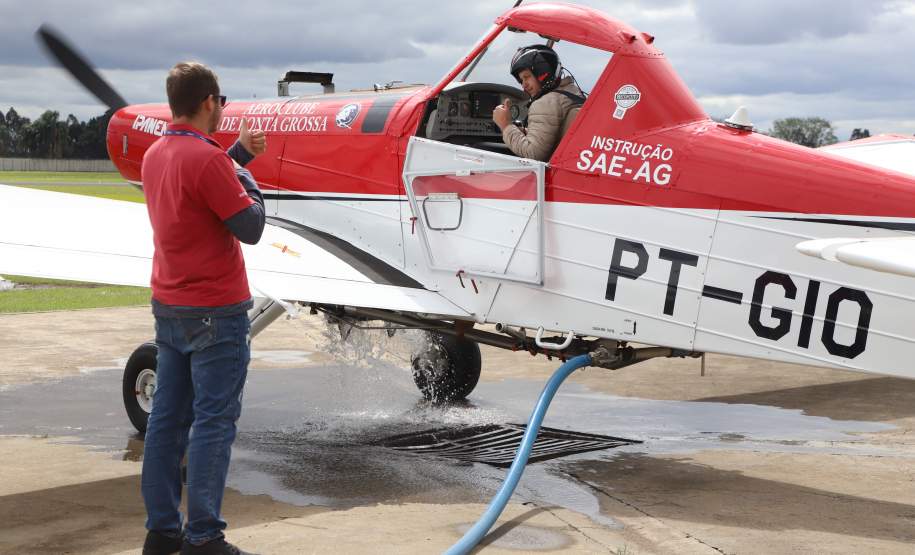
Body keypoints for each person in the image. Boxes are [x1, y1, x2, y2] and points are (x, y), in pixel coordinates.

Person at [140, 61, 267, 555]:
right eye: (222, 103)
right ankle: (205, 537)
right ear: (209, 102)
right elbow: (250, 226)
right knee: (214, 422)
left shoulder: (155, 154)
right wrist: (247, 178)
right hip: (217, 310)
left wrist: (235, 159)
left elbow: (200, 187)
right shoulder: (211, 161)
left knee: (166, 422)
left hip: (170, 307)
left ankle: (162, 530)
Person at [492, 44, 585, 162]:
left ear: (543, 73)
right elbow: (556, 133)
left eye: (527, 77)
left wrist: (506, 125)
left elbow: (533, 154)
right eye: (521, 80)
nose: (524, 85)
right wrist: (524, 132)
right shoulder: (573, 92)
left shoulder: (545, 103)